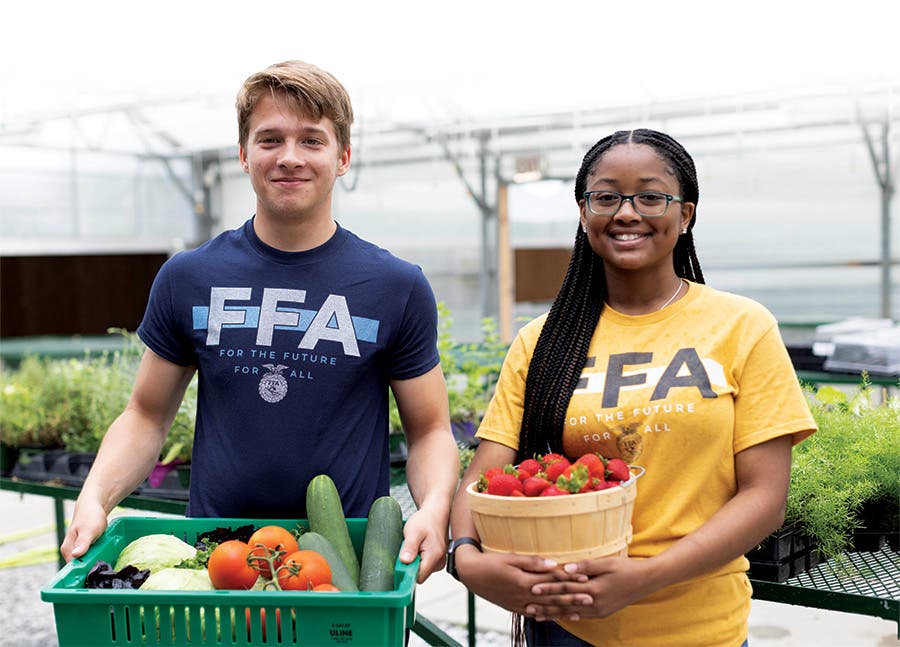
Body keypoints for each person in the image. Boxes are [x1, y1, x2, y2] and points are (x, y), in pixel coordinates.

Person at [61, 60, 460, 583]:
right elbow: (145, 415)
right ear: (243, 154)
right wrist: (95, 498)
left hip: (347, 564)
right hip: (217, 559)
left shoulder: (395, 285)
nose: (289, 158)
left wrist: (433, 509)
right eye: (270, 139)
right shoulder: (189, 276)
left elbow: (429, 429)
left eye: (312, 141)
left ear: (342, 158)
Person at [448, 129, 817, 646]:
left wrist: (646, 576)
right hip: (566, 622)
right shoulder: (544, 341)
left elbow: (765, 496)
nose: (626, 212)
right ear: (584, 213)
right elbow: (484, 474)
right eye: (606, 196)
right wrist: (464, 558)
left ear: (685, 213)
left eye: (650, 196)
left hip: (701, 629)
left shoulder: (742, 326)